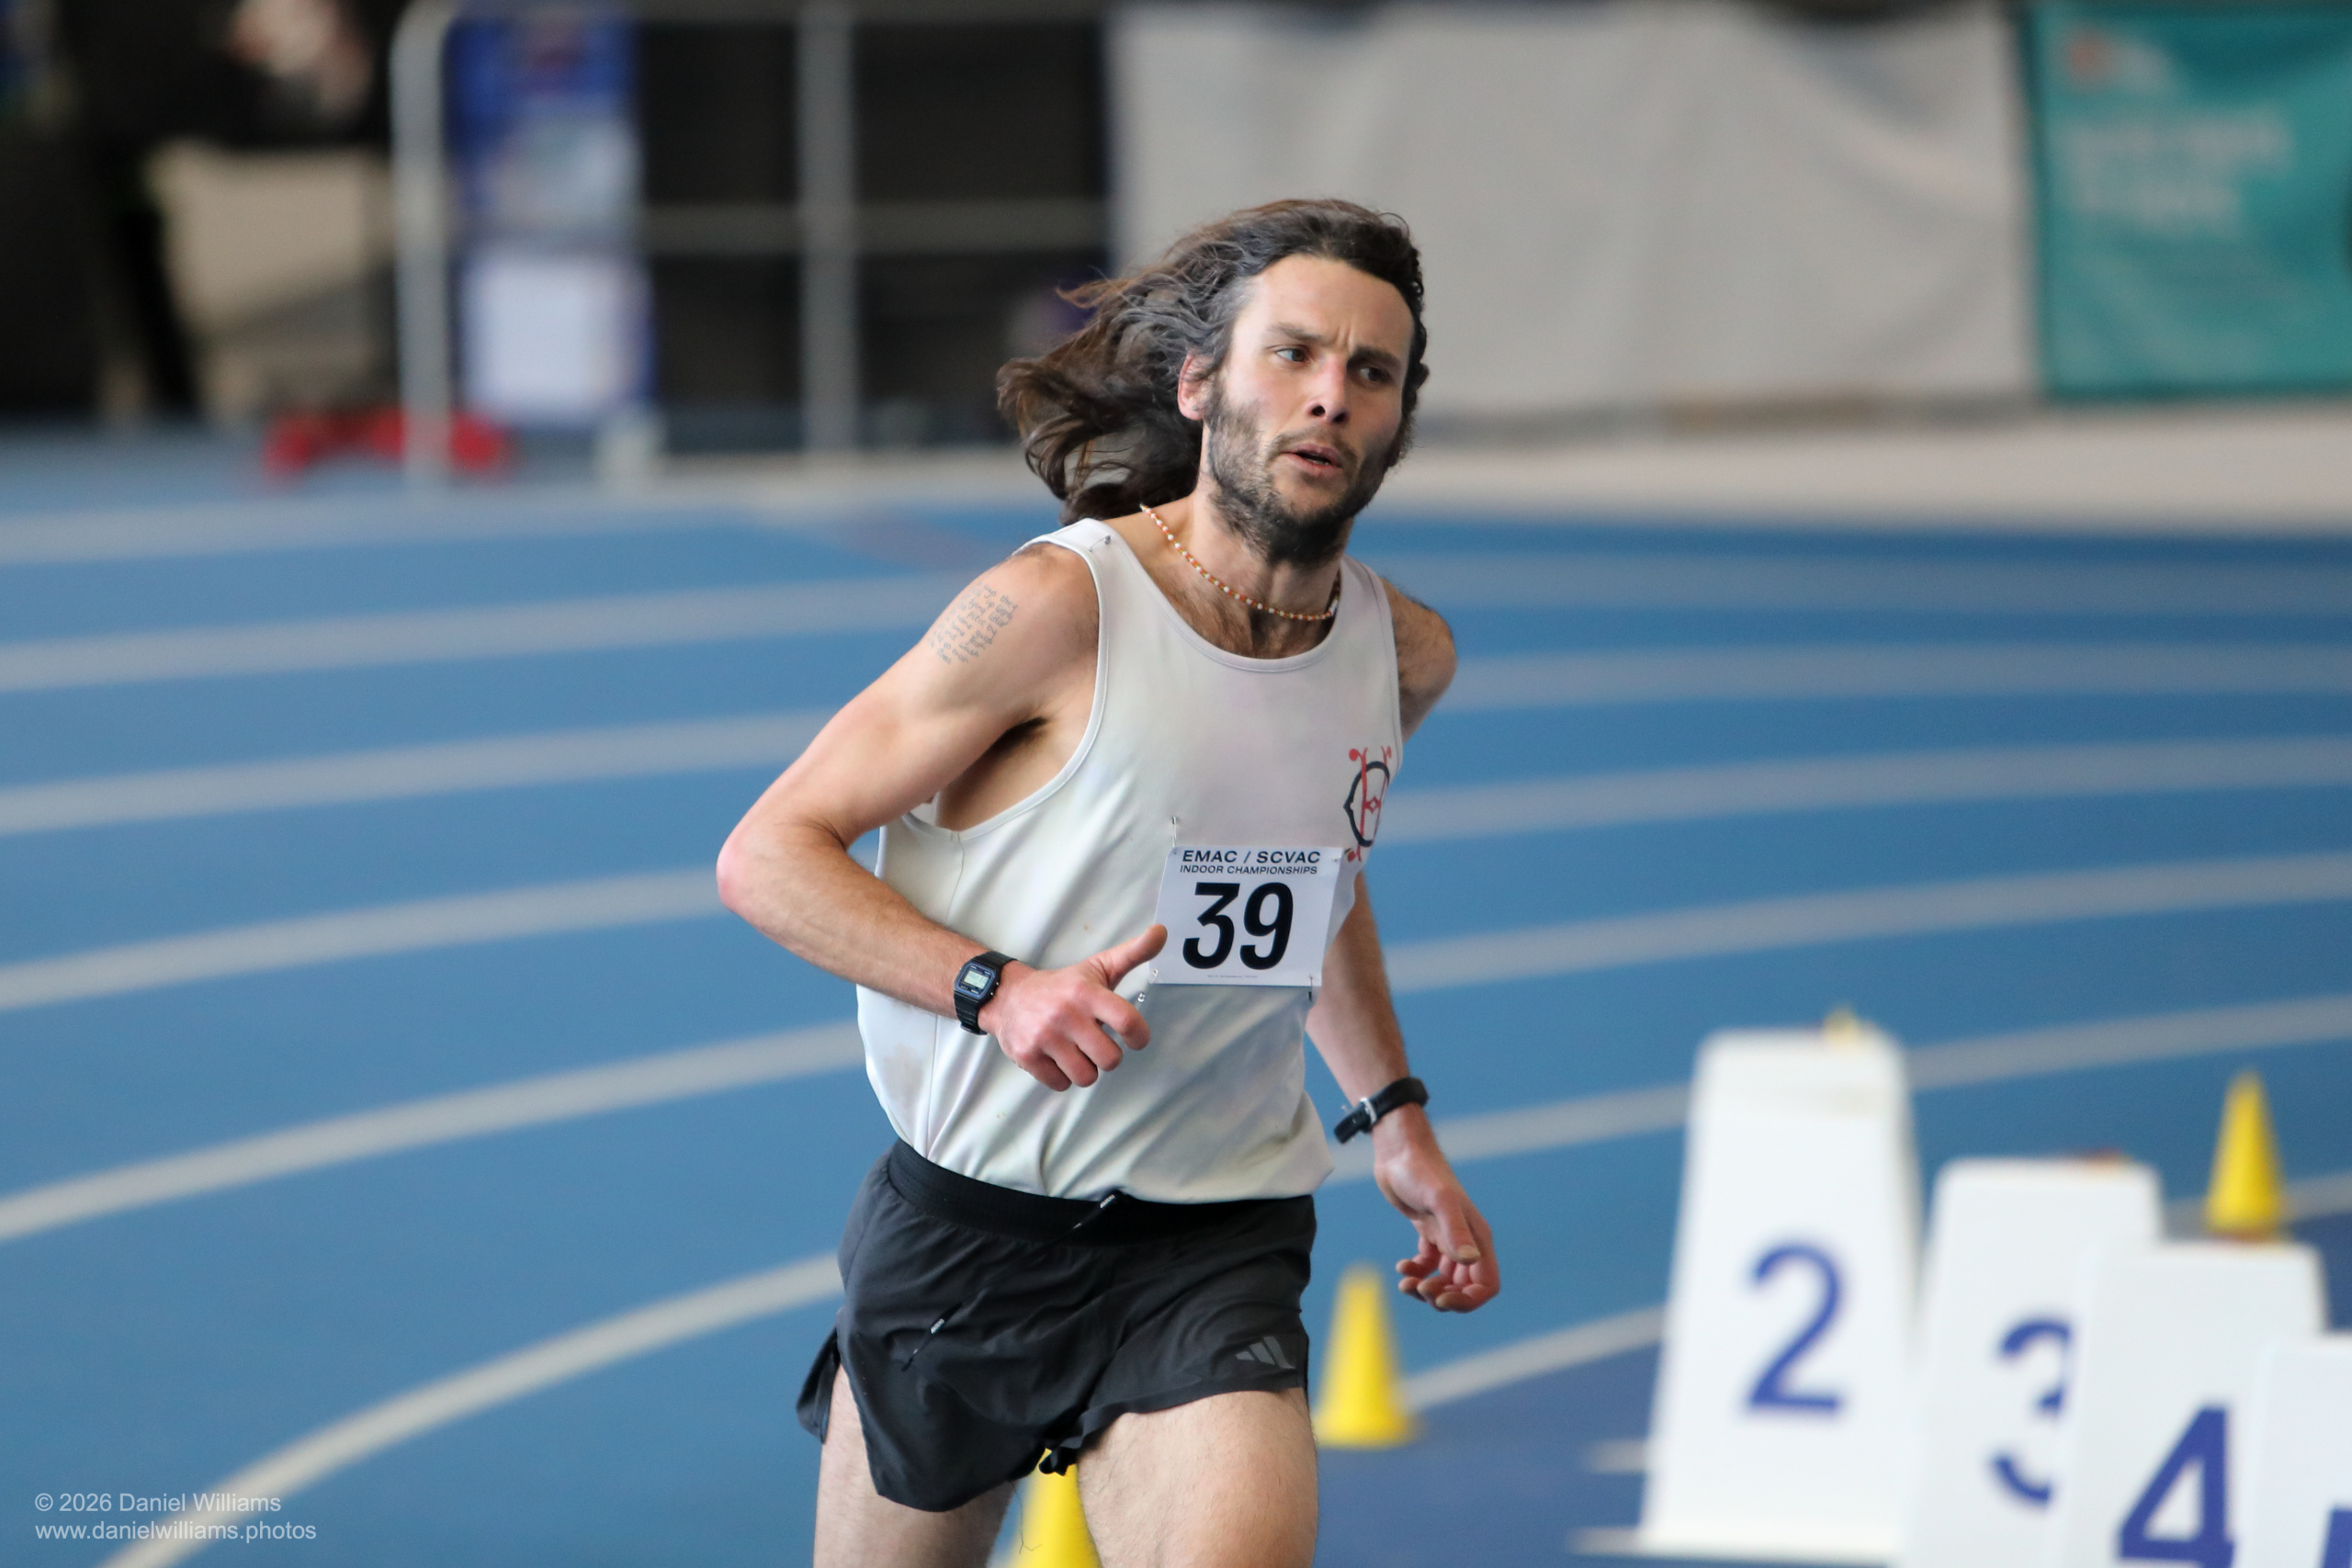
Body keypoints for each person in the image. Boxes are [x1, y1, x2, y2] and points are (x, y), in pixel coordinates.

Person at [717, 197, 1498, 1568]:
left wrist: (1393, 1117)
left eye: (1371, 372)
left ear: (1398, 421)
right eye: (1293, 354)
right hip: (971, 1229)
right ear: (1199, 384)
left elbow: (1317, 876)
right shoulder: (1054, 609)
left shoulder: (1401, 655)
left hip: (1214, 1241)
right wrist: (997, 991)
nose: (1330, 395)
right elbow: (768, 853)